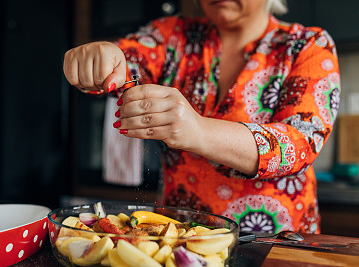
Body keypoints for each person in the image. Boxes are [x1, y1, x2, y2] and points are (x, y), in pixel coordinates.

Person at [63, 0, 340, 234]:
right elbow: (129, 60)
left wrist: (199, 131)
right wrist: (105, 58)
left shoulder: (307, 45)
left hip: (276, 241)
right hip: (177, 236)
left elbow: (301, 143)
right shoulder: (173, 36)